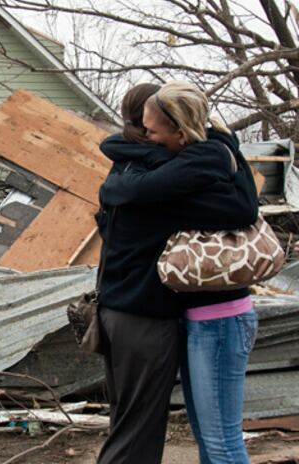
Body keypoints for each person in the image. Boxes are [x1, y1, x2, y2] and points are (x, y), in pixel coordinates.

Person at [95, 81, 259, 464]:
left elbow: (243, 209)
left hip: (174, 315)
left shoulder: (135, 173)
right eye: (147, 128)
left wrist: (217, 151)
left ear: (180, 134)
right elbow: (242, 205)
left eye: (155, 129)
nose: (150, 135)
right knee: (147, 433)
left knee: (207, 438)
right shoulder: (163, 179)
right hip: (148, 317)